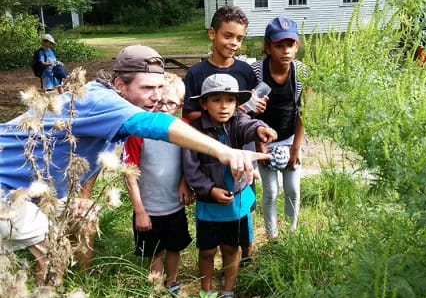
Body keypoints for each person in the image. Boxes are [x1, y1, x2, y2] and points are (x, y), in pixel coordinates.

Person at [0, 45, 269, 284]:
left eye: (159, 88)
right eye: (147, 88)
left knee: (79, 227)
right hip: (5, 187)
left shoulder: (103, 107)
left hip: (30, 189)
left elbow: (88, 154)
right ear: (119, 83)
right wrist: (223, 151)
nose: (156, 96)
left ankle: (70, 289)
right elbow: (157, 125)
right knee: (50, 252)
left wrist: (83, 194)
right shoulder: (102, 101)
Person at [182, 73, 277, 298]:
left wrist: (262, 129)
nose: (224, 106)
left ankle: (227, 292)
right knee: (206, 251)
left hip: (236, 203)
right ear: (203, 103)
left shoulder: (237, 122)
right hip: (208, 205)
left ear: (237, 103)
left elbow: (250, 126)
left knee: (231, 248)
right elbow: (191, 169)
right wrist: (209, 190)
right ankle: (205, 294)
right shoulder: (195, 132)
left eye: (230, 100)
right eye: (216, 100)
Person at [182, 4, 267, 264]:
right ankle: (215, 249)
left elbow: (251, 111)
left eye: (239, 38)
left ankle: (246, 251)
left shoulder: (244, 71)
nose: (233, 43)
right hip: (208, 149)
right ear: (212, 34)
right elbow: (189, 115)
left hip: (241, 147)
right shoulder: (196, 73)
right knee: (217, 196)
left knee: (244, 198)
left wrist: (255, 108)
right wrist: (227, 111)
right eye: (227, 36)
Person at [123, 73, 193, 296]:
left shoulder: (183, 129)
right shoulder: (138, 133)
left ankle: (172, 282)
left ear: (180, 106)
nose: (164, 108)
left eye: (170, 103)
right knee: (155, 251)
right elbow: (129, 174)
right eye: (159, 102)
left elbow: (188, 160)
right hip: (149, 207)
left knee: (174, 247)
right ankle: (155, 288)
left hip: (174, 204)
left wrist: (185, 182)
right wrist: (140, 210)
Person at [251, 17, 307, 239]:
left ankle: (291, 232)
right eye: (279, 45)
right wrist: (259, 145)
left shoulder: (300, 72)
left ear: (297, 45)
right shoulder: (257, 72)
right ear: (267, 46)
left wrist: (296, 146)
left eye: (290, 45)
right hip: (264, 140)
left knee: (293, 189)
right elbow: (252, 112)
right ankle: (272, 235)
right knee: (271, 191)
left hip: (290, 138)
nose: (286, 51)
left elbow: (305, 111)